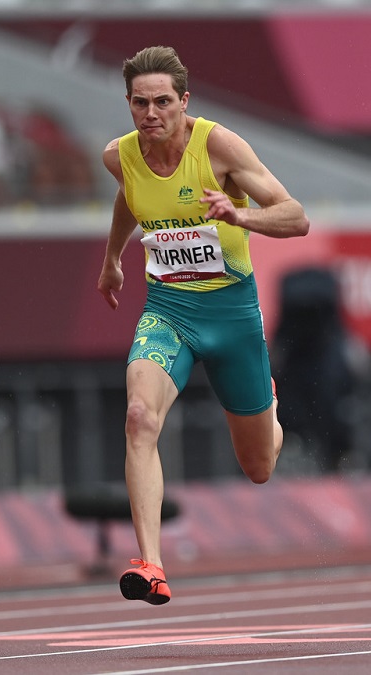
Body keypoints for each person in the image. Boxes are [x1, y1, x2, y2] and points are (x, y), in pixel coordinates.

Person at [96, 46, 310, 605]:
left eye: (163, 101)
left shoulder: (217, 146)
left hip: (232, 316)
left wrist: (242, 215)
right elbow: (130, 199)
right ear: (128, 104)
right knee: (139, 416)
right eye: (140, 103)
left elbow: (296, 216)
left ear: (183, 101)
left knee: (259, 466)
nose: (151, 113)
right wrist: (114, 257)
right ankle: (152, 564)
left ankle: (267, 400)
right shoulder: (119, 156)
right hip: (169, 310)